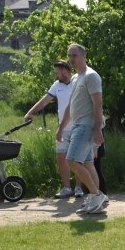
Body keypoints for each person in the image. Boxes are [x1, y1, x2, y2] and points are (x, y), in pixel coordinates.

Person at [57, 43, 107, 214]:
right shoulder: (76, 78)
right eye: (69, 56)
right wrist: (61, 128)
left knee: (71, 160)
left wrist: (98, 130)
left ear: (84, 56)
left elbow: (98, 104)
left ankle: (96, 195)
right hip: (77, 125)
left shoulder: (91, 76)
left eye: (74, 56)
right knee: (88, 164)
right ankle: (95, 201)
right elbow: (71, 105)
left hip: (87, 126)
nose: (71, 59)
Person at [24, 60, 84, 199]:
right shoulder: (57, 85)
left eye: (57, 72)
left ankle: (79, 188)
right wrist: (30, 112)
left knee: (78, 158)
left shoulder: (77, 81)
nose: (56, 75)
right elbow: (45, 100)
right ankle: (66, 188)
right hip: (63, 129)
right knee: (61, 157)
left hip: (78, 126)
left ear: (64, 70)